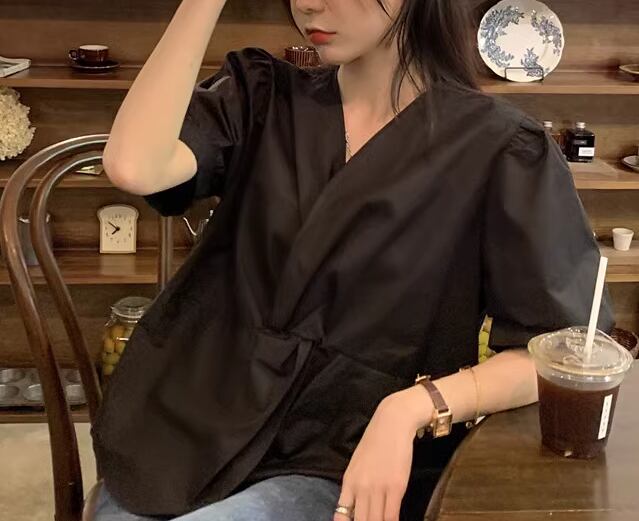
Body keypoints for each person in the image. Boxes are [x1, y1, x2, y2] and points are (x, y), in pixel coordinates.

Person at [94, 1, 615, 520]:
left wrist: (413, 407)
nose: (308, 4)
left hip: (341, 459)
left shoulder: (498, 148)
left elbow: (563, 350)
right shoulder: (261, 95)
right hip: (181, 432)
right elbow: (134, 166)